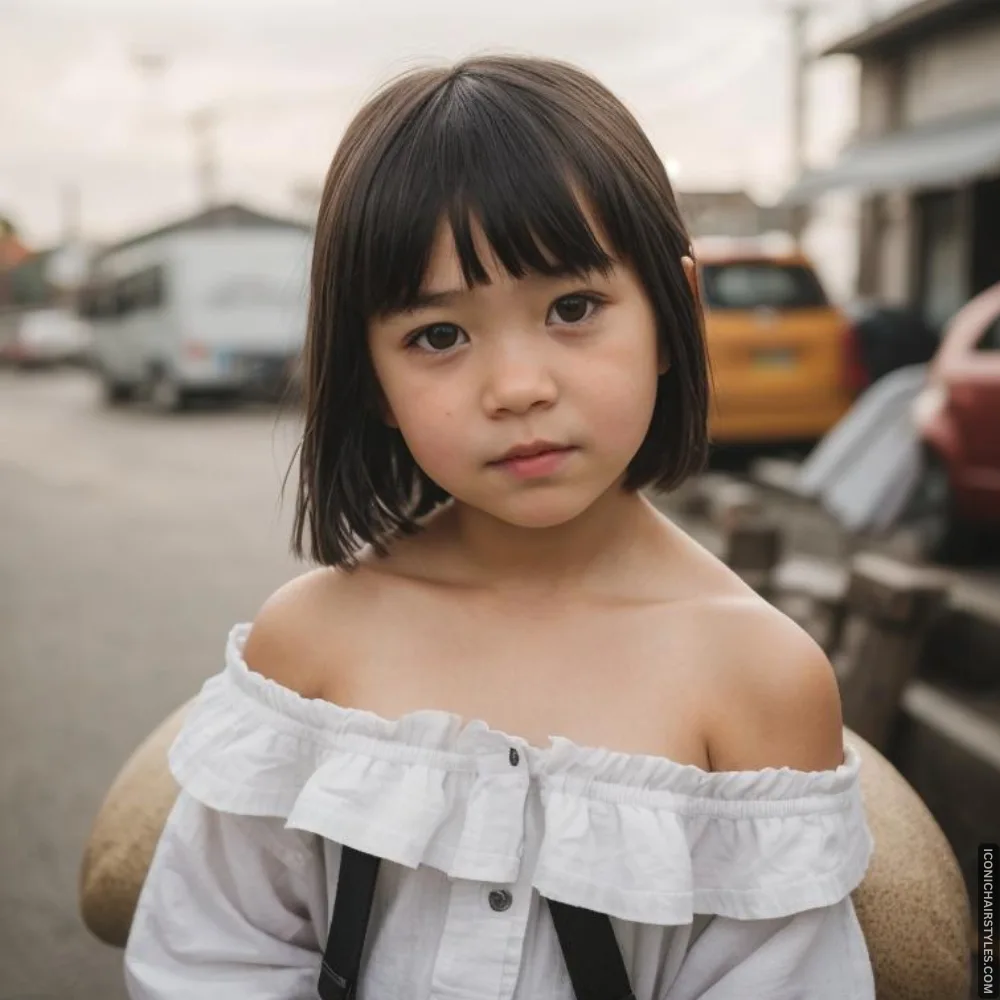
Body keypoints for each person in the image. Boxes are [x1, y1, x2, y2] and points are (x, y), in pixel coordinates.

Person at [123, 55, 875, 999]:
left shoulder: (761, 675)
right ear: (371, 378)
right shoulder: (308, 644)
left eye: (573, 308)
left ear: (676, 313)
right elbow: (208, 959)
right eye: (438, 336)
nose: (518, 387)